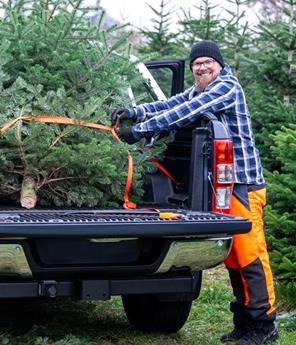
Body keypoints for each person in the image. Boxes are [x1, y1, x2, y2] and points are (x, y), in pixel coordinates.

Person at [111, 40, 277, 345]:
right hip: (226, 186)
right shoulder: (201, 88)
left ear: (219, 64)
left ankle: (264, 324)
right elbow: (172, 104)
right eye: (196, 64)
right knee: (233, 257)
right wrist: (136, 111)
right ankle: (244, 322)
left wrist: (141, 131)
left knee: (250, 255)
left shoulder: (226, 87)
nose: (201, 68)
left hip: (243, 183)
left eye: (207, 63)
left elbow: (187, 112)